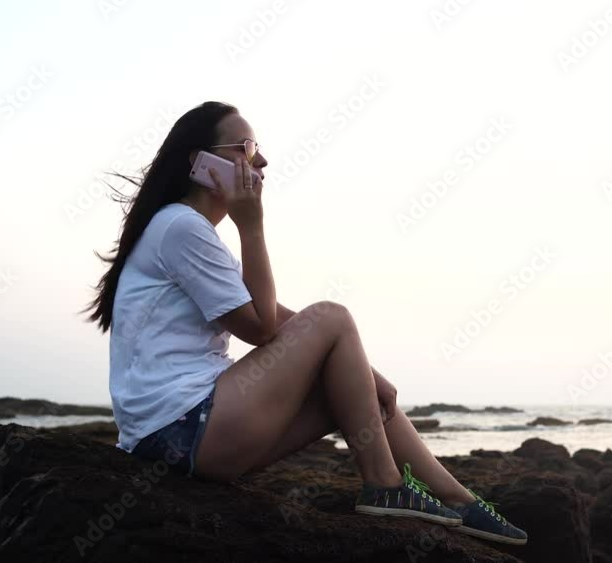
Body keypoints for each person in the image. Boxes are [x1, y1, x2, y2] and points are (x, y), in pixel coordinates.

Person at [84, 101, 526, 545]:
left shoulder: (185, 230)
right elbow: (260, 329)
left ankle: (458, 500)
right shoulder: (180, 227)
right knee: (333, 314)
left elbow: (273, 316)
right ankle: (385, 484)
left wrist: (364, 372)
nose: (261, 160)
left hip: (185, 436)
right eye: (246, 148)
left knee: (351, 388)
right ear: (199, 163)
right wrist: (251, 227)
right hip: (181, 428)